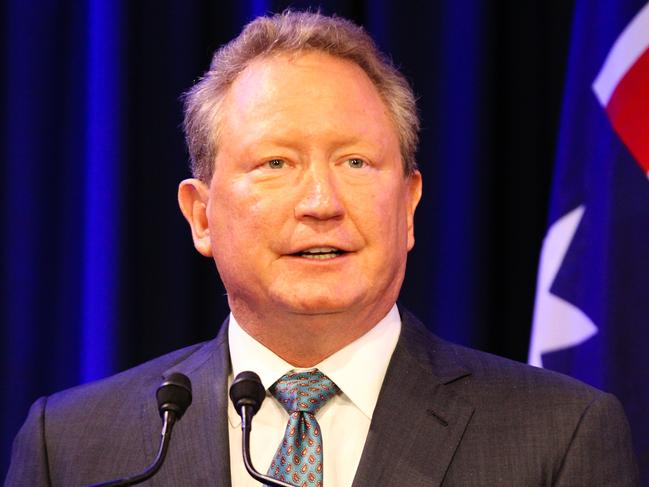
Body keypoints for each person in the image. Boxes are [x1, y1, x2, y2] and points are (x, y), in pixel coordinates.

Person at [5, 10, 639, 487]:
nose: (321, 202)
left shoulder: (560, 437)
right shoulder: (71, 446)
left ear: (410, 205)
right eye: (276, 163)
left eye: (356, 161)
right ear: (201, 215)